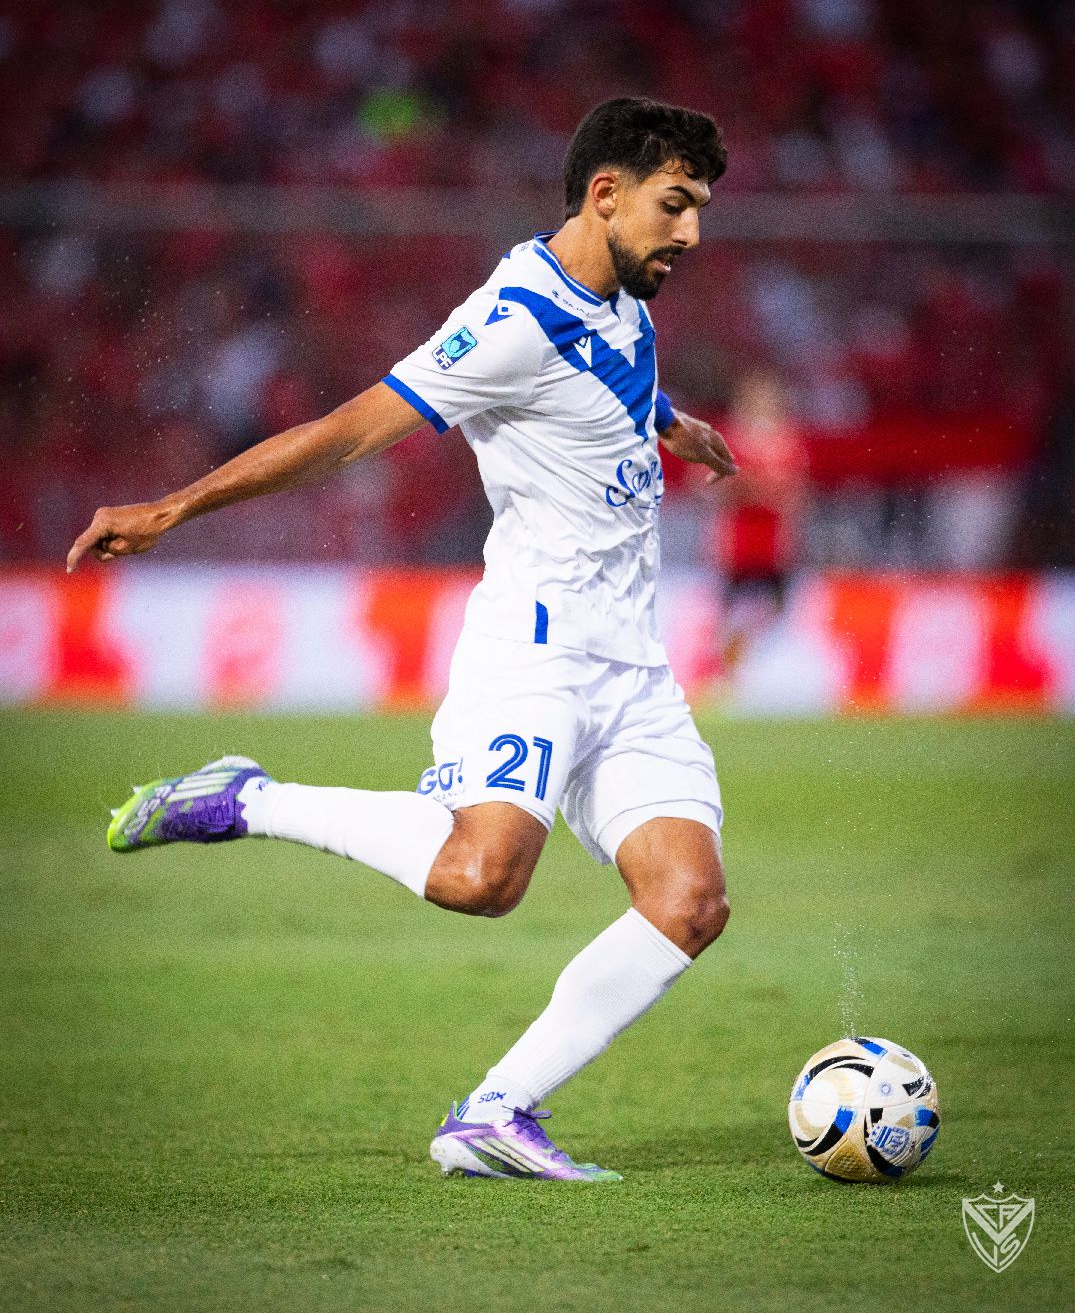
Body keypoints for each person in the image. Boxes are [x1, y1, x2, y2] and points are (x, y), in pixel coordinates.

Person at [67, 97, 738, 1182]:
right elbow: (345, 434)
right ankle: (248, 798)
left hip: (634, 668)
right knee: (481, 877)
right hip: (535, 652)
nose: (691, 233)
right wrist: (172, 508)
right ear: (605, 194)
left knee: (689, 902)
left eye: (699, 207)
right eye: (676, 205)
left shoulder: (624, 296)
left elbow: (614, 378)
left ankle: (494, 1113)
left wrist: (675, 424)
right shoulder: (512, 319)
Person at [707, 367, 808, 687]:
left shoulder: (786, 441)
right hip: (739, 540)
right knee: (729, 610)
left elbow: (792, 493)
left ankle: (744, 660)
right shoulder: (732, 440)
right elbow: (711, 486)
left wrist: (751, 486)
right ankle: (729, 673)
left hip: (771, 541)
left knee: (776, 609)